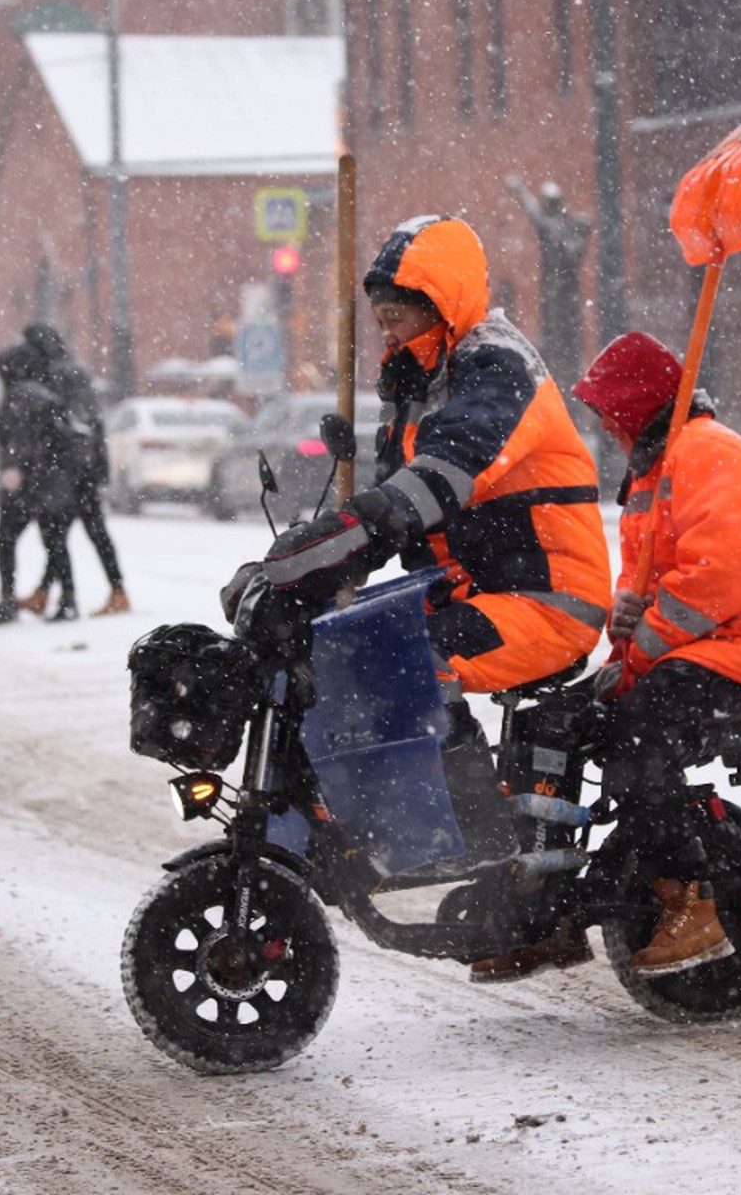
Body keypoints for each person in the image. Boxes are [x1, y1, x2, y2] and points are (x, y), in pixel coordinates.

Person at [228, 215, 613, 978]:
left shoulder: (496, 368)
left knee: (411, 659)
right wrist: (324, 563)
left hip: (544, 597)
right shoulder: (412, 377)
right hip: (465, 588)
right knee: (344, 644)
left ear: (444, 302)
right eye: (379, 316)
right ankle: (355, 826)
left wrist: (351, 535)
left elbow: (435, 483)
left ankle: (479, 838)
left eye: (399, 312)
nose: (386, 328)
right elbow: (392, 506)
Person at [570, 330, 741, 975]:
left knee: (641, 733)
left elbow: (719, 576)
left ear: (639, 404)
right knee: (574, 722)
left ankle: (692, 902)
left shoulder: (706, 451)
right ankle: (549, 908)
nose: (604, 425)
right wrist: (623, 637)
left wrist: (639, 656)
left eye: (610, 409)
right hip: (717, 642)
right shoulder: (655, 469)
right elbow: (647, 577)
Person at [13, 323, 131, 618]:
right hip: (84, 467)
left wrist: (50, 464)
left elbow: (65, 425)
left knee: (58, 534)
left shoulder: (52, 374)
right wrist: (98, 467)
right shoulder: (74, 371)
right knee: (85, 531)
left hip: (66, 469)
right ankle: (109, 591)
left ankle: (70, 598)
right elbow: (93, 422)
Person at [0, 342, 79, 626]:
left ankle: (7, 600)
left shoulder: (15, 397)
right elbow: (64, 438)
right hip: (53, 482)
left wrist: (15, 468)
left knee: (5, 539)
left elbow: (13, 438)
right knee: (55, 542)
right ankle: (68, 600)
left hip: (24, 483)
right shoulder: (49, 396)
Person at [504, 175, 592, 391]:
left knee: (559, 334)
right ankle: (563, 373)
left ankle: (561, 375)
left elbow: (534, 212)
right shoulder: (567, 225)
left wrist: (520, 190)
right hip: (560, 293)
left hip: (558, 293)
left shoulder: (554, 226)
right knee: (562, 335)